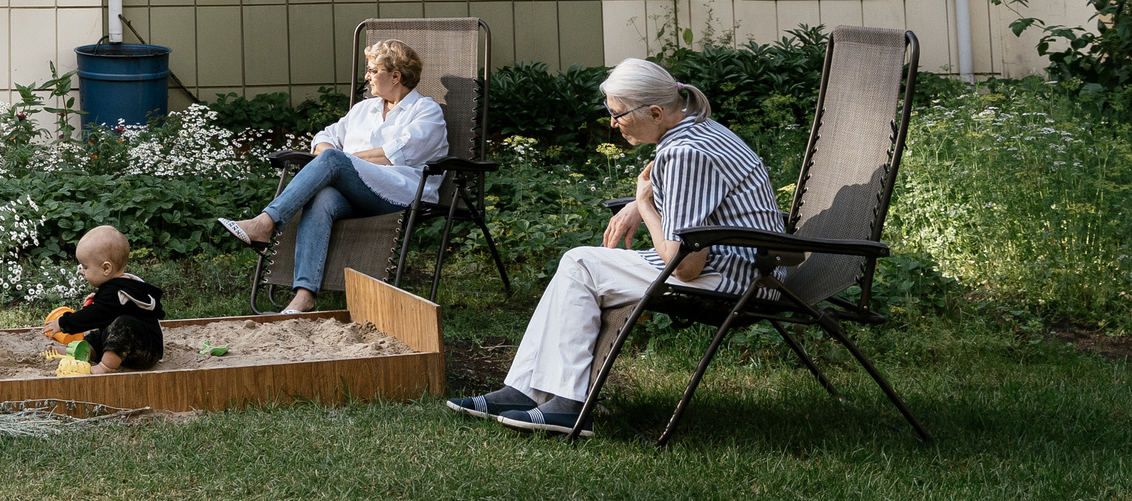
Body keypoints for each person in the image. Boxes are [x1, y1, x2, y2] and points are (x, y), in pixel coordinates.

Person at [447, 57, 785, 436]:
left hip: (728, 277)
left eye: (618, 114)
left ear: (655, 112)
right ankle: (527, 391)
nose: (612, 124)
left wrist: (643, 205)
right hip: (749, 265)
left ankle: (563, 402)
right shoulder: (700, 130)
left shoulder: (684, 153)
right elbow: (693, 197)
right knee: (581, 266)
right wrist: (634, 204)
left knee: (580, 264)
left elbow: (686, 266)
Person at [215, 38, 446, 312]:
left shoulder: (426, 112)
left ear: (395, 76)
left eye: (373, 70)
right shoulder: (364, 109)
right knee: (322, 196)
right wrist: (328, 156)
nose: (367, 76)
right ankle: (304, 295)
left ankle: (265, 224)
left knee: (334, 159)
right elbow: (325, 137)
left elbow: (393, 153)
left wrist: (336, 159)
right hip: (358, 192)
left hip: (400, 193)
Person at [47, 225, 164, 371]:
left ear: (106, 268)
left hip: (145, 352)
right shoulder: (124, 285)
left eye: (85, 267)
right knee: (100, 333)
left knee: (122, 325)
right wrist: (98, 297)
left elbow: (92, 315)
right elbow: (114, 308)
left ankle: (105, 366)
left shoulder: (116, 294)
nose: (82, 272)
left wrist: (63, 323)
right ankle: (85, 352)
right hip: (134, 346)